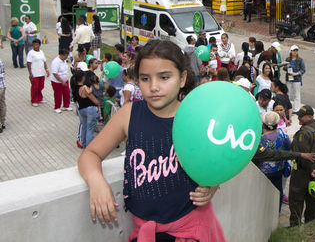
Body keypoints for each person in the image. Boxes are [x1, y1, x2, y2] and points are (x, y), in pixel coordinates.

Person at [78, 39, 226, 241]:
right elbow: (90, 154)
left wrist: (213, 186)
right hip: (145, 232)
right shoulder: (129, 114)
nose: (154, 86)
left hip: (192, 230)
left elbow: (219, 160)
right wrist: (96, 182)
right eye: (145, 79)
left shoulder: (196, 117)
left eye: (164, 77)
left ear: (182, 78)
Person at [289, 105, 315, 227]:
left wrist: (312, 169)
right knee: (312, 200)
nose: (299, 119)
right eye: (299, 116)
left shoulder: (303, 133)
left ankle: (295, 227)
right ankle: (310, 225)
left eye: (302, 117)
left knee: (296, 200)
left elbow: (301, 156)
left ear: (310, 116)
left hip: (301, 174)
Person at [259, 111, 291, 211]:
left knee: (262, 193)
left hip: (263, 171)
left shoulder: (260, 139)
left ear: (263, 124)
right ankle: (277, 211)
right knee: (278, 190)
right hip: (278, 169)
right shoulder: (282, 134)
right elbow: (289, 147)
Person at [73, 71, 101, 147]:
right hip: (90, 110)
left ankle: (83, 143)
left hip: (81, 110)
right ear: (83, 78)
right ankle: (89, 147)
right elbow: (95, 100)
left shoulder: (75, 88)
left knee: (84, 126)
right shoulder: (85, 88)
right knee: (90, 129)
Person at [27, 38, 49, 108]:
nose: (35, 46)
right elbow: (28, 63)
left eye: (37, 44)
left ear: (39, 45)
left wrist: (46, 69)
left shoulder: (41, 52)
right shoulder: (31, 53)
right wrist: (30, 73)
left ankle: (40, 98)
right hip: (35, 73)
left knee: (41, 86)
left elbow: (44, 61)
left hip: (41, 73)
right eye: (34, 45)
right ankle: (34, 100)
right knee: (35, 87)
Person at [284, 45, 306, 113]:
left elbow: (303, 70)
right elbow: (284, 68)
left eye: (296, 50)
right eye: (293, 50)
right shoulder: (288, 59)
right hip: (289, 79)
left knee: (297, 94)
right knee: (288, 93)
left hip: (296, 79)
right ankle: (288, 107)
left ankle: (296, 109)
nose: (295, 52)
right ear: (291, 51)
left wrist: (296, 73)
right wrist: (286, 67)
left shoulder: (300, 60)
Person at [50, 49, 72, 113]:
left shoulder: (64, 60)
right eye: (65, 56)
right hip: (57, 81)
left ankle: (66, 106)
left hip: (65, 80)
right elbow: (55, 73)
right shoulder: (55, 62)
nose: (66, 58)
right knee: (58, 94)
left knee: (66, 93)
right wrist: (61, 81)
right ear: (61, 55)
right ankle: (57, 107)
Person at [0, 57, 6, 132]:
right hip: (2, 86)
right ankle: (2, 123)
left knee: (2, 105)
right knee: (2, 104)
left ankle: (1, 124)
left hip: (1, 87)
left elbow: (2, 74)